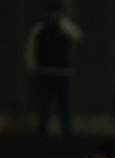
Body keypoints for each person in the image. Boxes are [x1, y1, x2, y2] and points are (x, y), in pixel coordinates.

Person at [25, 0, 81, 136]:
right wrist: (31, 66)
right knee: (43, 104)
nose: (52, 15)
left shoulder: (63, 27)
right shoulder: (39, 29)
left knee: (64, 105)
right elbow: (30, 48)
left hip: (62, 72)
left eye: (55, 13)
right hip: (45, 72)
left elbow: (78, 34)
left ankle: (66, 132)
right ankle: (42, 131)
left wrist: (63, 22)